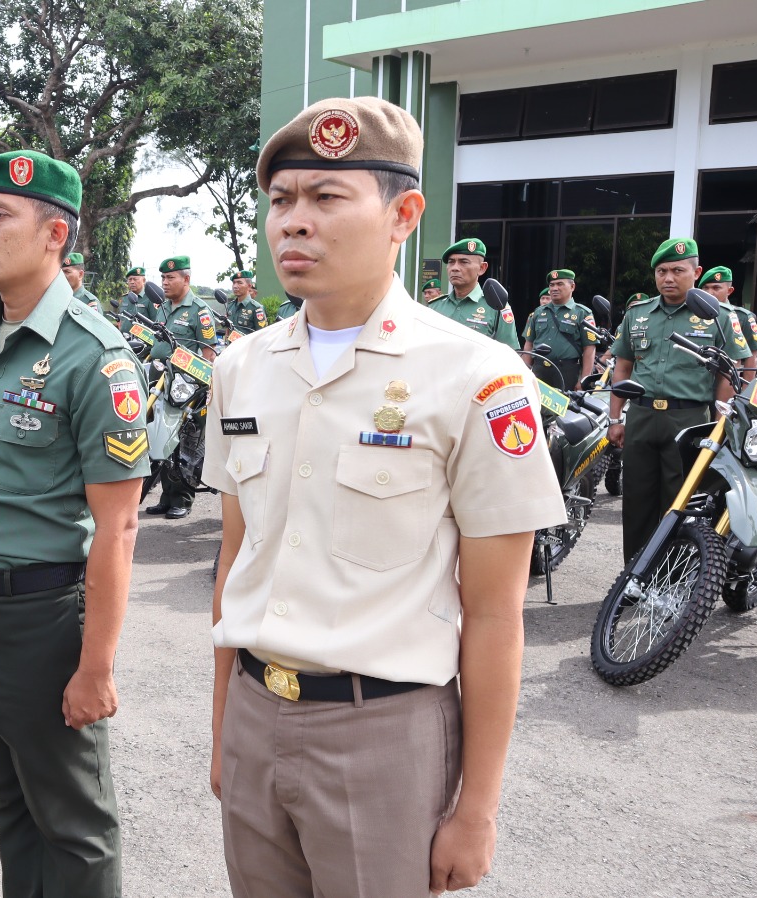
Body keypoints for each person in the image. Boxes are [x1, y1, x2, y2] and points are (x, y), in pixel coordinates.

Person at [205, 96, 565, 898]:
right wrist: (224, 727)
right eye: (282, 200)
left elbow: (497, 611)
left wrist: (477, 807)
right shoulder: (241, 367)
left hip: (385, 733)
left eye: (327, 199)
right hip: (257, 715)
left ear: (403, 215)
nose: (294, 223)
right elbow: (236, 556)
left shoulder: (478, 377)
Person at [0, 148, 148, 898]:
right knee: (13, 807)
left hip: (42, 618)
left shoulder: (95, 359)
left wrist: (95, 666)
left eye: (0, 216)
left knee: (75, 825)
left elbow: (120, 529)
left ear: (55, 235)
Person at [607, 238, 750, 560]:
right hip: (641, 417)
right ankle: (635, 575)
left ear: (696, 272)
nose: (668, 278)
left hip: (690, 420)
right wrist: (615, 418)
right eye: (661, 271)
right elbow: (623, 367)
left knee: (683, 501)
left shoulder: (719, 316)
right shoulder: (638, 314)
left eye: (677, 270)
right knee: (637, 502)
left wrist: (719, 424)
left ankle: (673, 575)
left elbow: (728, 373)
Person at [146, 255, 216, 519]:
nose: (164, 282)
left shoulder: (199, 310)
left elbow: (209, 353)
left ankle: (183, 499)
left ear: (186, 279)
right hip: (162, 381)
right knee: (162, 438)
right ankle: (166, 496)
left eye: (170, 277)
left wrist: (201, 389)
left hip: (186, 388)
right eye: (163, 277)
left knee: (185, 443)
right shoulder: (163, 307)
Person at [429, 239, 520, 349]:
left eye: (464, 262)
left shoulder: (497, 307)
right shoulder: (435, 306)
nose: (455, 268)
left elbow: (509, 354)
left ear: (482, 268)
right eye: (451, 262)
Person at [521, 268, 598, 389]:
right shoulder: (538, 312)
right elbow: (529, 344)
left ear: (572, 287)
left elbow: (589, 348)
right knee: (536, 406)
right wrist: (525, 372)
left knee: (567, 406)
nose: (554, 288)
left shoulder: (582, 313)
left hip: (567, 371)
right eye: (552, 285)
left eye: (559, 284)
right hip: (539, 370)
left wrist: (584, 380)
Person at [700, 265, 757, 375]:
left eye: (716, 288)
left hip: (727, 379)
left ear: (729, 291)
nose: (709, 293)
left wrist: (745, 390)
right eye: (705, 288)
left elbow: (752, 358)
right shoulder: (693, 314)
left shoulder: (742, 317)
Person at [226, 269, 268, 336]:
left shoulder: (256, 308)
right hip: (231, 345)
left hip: (248, 346)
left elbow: (262, 334)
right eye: (234, 283)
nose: (235, 286)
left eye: (240, 283)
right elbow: (228, 330)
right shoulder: (230, 306)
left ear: (249, 286)